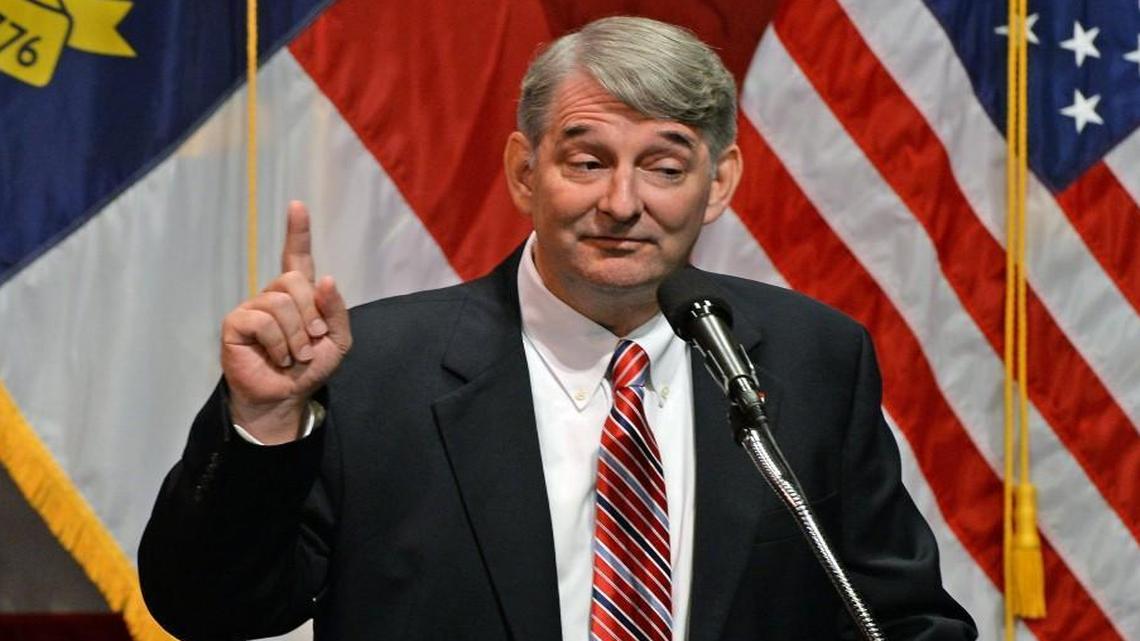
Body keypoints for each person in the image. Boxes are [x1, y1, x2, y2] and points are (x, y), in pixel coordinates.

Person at [139, 16, 976, 641]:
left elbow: (901, 617)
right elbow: (210, 608)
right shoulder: (373, 372)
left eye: (664, 166)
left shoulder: (811, 359)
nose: (622, 202)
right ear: (523, 171)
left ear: (718, 184)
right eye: (587, 160)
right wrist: (264, 423)